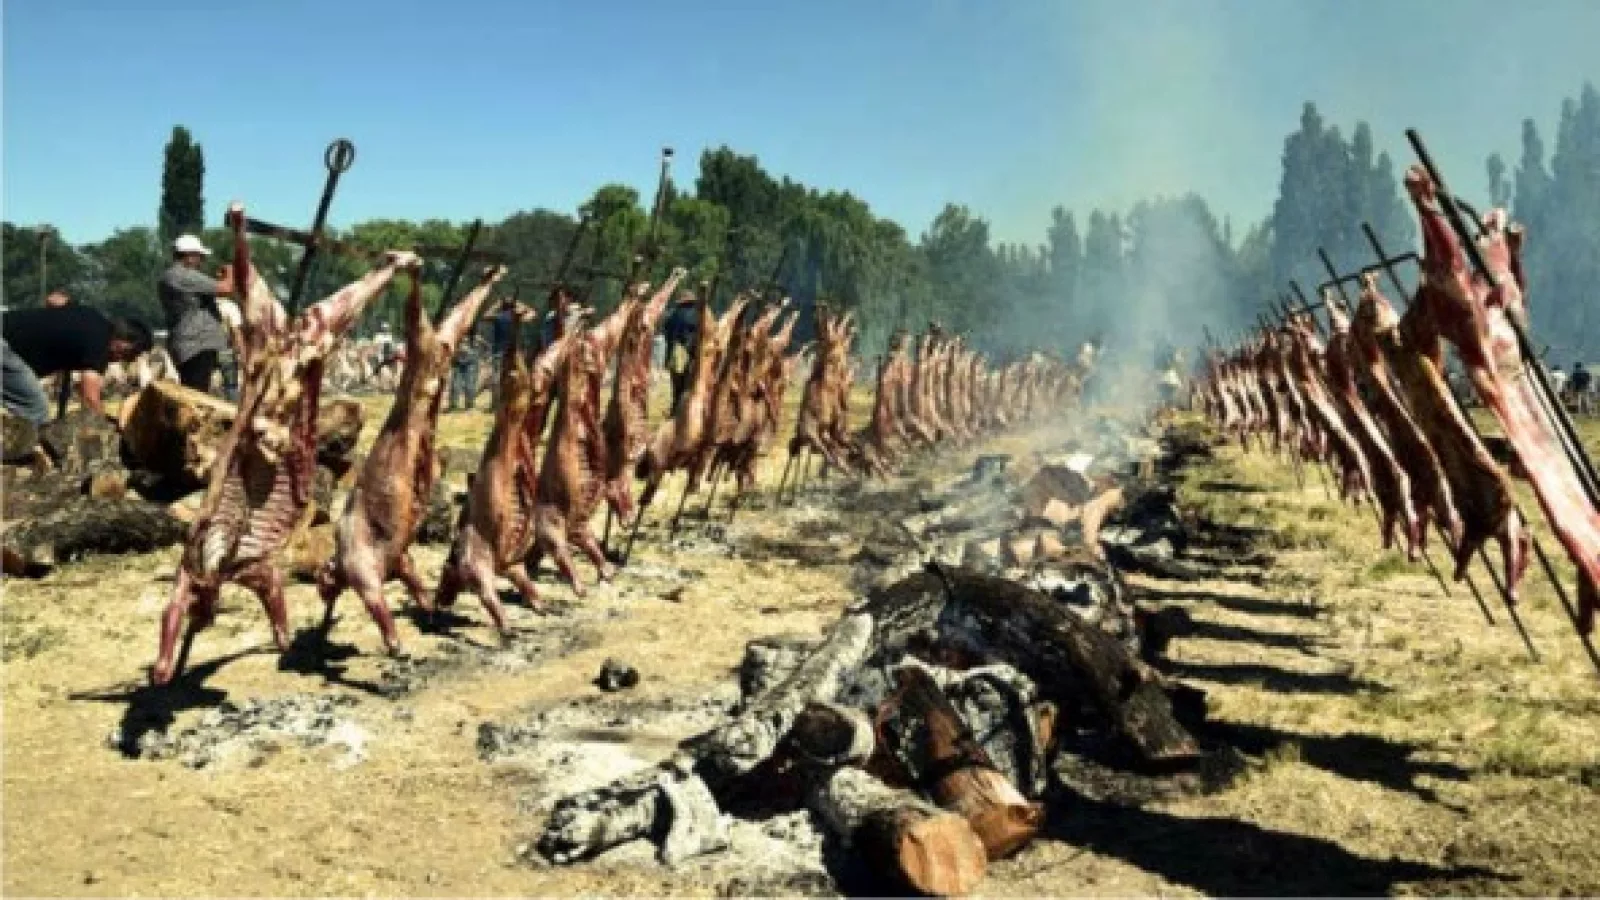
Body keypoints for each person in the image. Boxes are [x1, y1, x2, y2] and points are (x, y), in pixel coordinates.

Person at [2, 305, 152, 423]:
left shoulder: (94, 320)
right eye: (131, 354)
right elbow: (90, 398)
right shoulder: (99, 343)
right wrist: (106, 429)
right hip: (5, 345)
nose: (127, 360)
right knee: (35, 408)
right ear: (123, 343)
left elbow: (56, 300)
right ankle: (21, 451)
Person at [158, 233, 234, 393]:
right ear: (189, 256)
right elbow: (226, 289)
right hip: (197, 345)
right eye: (199, 256)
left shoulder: (173, 276)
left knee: (194, 390)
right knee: (196, 394)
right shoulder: (183, 276)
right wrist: (230, 272)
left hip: (191, 344)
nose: (201, 261)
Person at [662, 290, 698, 414]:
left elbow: (667, 332)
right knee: (686, 384)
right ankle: (681, 410)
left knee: (676, 384)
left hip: (674, 351)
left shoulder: (672, 314)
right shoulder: (696, 315)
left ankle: (675, 409)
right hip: (686, 352)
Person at [447, 327, 485, 412]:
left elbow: (485, 347)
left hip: (471, 363)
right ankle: (453, 405)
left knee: (470, 385)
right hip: (457, 362)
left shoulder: (476, 338)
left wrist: (480, 356)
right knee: (455, 385)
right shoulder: (455, 335)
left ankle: (469, 406)